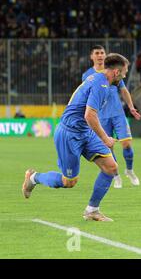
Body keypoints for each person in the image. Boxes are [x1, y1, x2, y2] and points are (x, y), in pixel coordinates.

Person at [22, 53, 132, 221]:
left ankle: (92, 210)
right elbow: (89, 115)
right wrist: (105, 138)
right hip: (69, 133)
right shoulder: (101, 85)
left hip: (85, 132)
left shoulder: (101, 80)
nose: (124, 76)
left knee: (111, 167)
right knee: (69, 181)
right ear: (116, 72)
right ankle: (33, 178)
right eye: (124, 72)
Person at [82, 45, 141, 189]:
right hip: (101, 117)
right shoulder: (88, 75)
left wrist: (131, 107)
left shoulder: (114, 73)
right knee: (108, 146)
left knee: (127, 143)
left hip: (117, 114)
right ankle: (116, 176)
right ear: (92, 57)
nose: (100, 55)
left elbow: (123, 90)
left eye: (102, 52)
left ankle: (130, 170)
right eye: (97, 53)